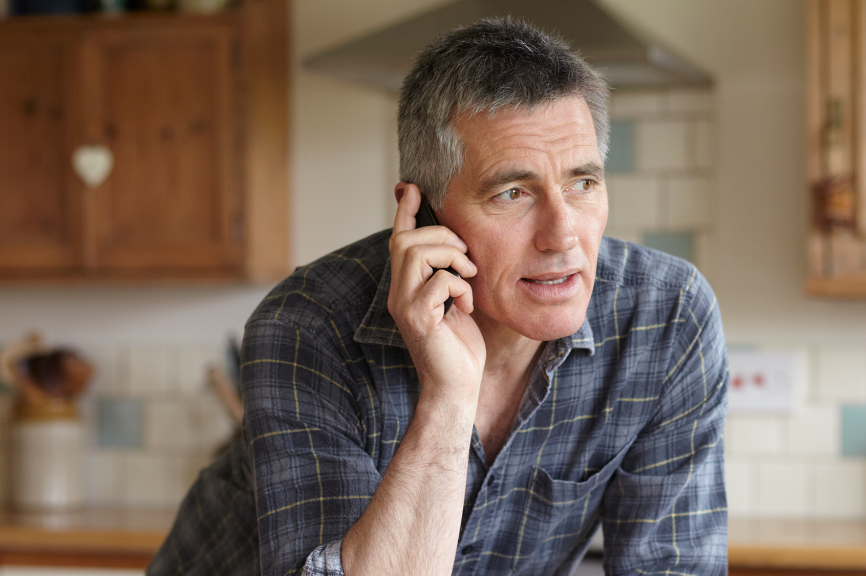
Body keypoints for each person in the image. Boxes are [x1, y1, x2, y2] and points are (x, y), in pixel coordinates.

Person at [149, 17, 728, 576]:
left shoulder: (667, 318)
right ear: (422, 212)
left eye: (583, 183)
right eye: (511, 193)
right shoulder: (308, 326)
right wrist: (449, 400)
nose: (563, 236)